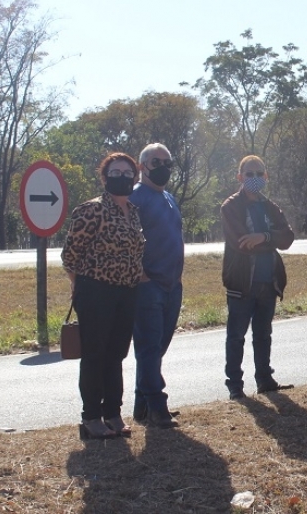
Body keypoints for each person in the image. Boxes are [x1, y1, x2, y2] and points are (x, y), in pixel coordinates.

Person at [61, 152, 145, 439]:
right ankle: (91, 418)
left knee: (116, 355)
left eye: (127, 173)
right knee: (95, 355)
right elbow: (70, 255)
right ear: (105, 176)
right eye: (115, 172)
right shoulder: (91, 210)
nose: (121, 177)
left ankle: (113, 413)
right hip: (96, 292)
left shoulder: (133, 211)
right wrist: (78, 285)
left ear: (135, 177)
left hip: (127, 292)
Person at [221, 155, 295, 400]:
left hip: (268, 280)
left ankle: (265, 380)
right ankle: (235, 385)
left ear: (266, 176)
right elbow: (241, 243)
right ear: (239, 177)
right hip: (242, 282)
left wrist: (263, 236)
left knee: (263, 334)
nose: (254, 178)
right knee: (236, 336)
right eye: (249, 174)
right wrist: (271, 238)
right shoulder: (230, 207)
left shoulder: (270, 206)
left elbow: (288, 237)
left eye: (259, 174)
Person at [130, 143, 184, 429]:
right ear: (142, 166)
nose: (162, 167)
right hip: (147, 286)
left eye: (167, 162)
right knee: (149, 348)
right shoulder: (136, 197)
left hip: (172, 285)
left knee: (157, 348)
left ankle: (143, 408)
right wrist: (140, 273)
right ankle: (158, 407)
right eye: (155, 162)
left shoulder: (169, 198)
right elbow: (127, 239)